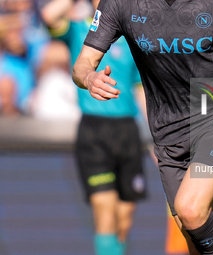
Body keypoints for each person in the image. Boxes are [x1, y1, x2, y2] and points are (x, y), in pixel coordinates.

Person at [72, 0, 213, 254]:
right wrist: (89, 77)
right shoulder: (120, 4)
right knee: (193, 236)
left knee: (190, 209)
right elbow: (82, 64)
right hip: (167, 130)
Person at [41, 0, 147, 254]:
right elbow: (48, 16)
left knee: (124, 217)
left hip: (128, 131)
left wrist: (156, 136)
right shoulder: (79, 28)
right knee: (105, 209)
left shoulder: (131, 37)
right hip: (94, 131)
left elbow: (138, 88)